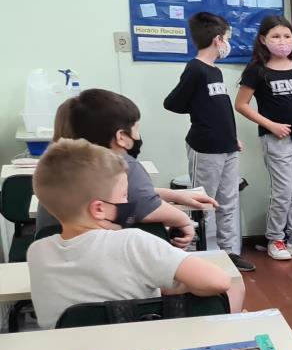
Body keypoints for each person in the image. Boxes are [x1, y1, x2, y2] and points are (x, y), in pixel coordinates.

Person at [28, 140, 241, 329]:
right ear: (99, 209)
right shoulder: (133, 242)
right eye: (123, 195)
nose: (128, 203)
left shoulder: (37, 252)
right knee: (235, 283)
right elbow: (219, 281)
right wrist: (170, 288)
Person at [35, 89, 210, 247]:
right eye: (136, 128)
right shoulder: (121, 165)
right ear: (121, 136)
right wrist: (185, 222)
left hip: (56, 251)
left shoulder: (64, 164)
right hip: (100, 256)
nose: (137, 135)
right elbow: (146, 206)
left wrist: (174, 195)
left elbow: (131, 193)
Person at [164, 12, 252, 273]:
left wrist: (231, 137)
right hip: (205, 148)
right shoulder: (195, 69)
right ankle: (195, 252)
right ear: (217, 39)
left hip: (227, 147)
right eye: (226, 38)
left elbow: (219, 110)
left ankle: (229, 252)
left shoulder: (215, 71)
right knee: (202, 203)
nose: (227, 43)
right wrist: (200, 117)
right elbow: (173, 103)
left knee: (228, 201)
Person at [235, 15, 292, 261]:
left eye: (287, 36)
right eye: (276, 36)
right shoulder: (256, 70)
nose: (282, 41)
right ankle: (276, 239)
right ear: (263, 39)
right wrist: (270, 125)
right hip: (276, 139)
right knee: (282, 191)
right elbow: (241, 104)